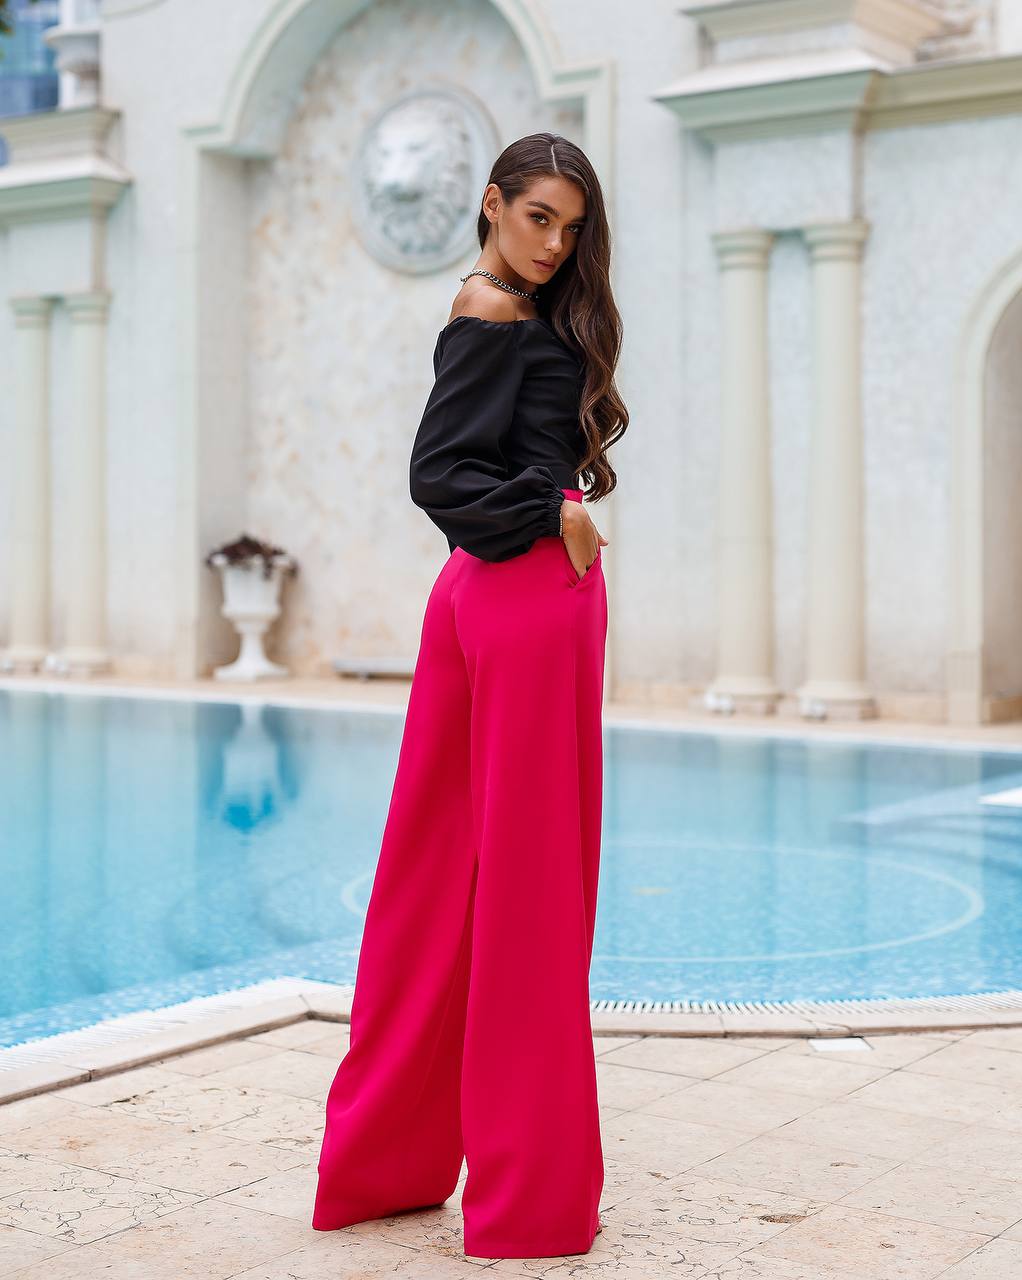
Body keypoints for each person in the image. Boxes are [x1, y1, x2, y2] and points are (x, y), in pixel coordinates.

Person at [312, 131, 628, 1260]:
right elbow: (439, 474)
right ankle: (527, 1195)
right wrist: (557, 511)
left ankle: (385, 1166)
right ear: (491, 205)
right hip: (520, 600)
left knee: (437, 874)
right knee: (530, 899)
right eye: (538, 216)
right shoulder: (488, 306)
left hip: (490, 603)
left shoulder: (512, 305)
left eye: (572, 227)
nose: (554, 243)